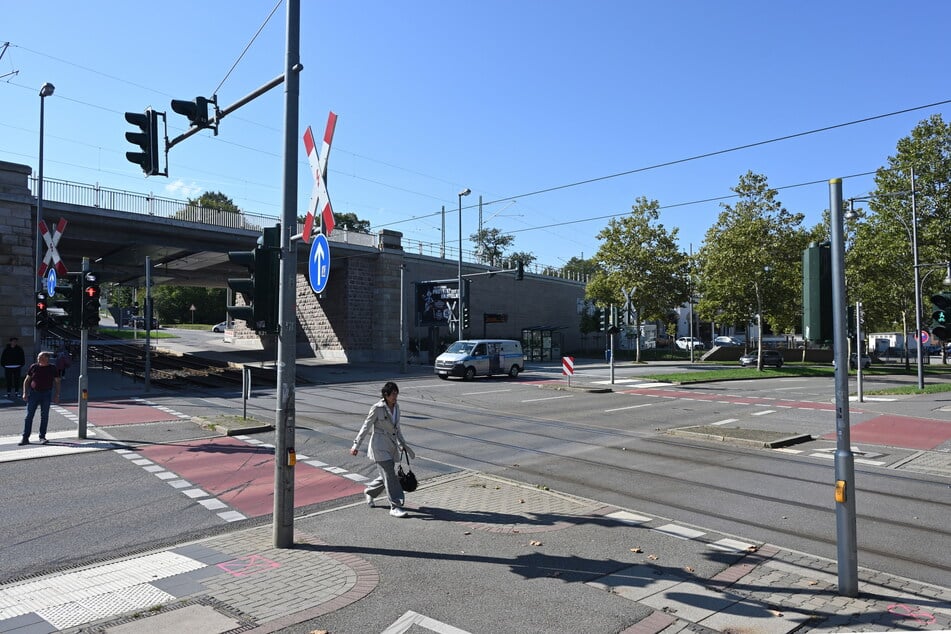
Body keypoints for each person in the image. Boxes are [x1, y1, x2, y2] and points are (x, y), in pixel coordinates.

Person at [350, 381, 416, 518]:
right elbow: (366, 426)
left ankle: (370, 492)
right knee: (390, 475)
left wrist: (402, 444)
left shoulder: (397, 407)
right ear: (385, 395)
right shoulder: (377, 408)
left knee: (387, 475)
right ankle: (395, 506)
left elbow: (397, 429)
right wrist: (356, 445)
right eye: (393, 394)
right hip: (379, 446)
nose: (395, 397)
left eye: (396, 394)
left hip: (391, 446)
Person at [20, 351, 61, 446]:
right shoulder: (34, 367)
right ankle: (25, 437)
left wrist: (57, 395)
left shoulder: (52, 368)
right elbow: (27, 380)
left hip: (46, 393)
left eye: (41, 357)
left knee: (44, 416)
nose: (39, 359)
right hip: (34, 394)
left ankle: (42, 437)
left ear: (47, 358)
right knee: (29, 416)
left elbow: (57, 382)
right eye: (38, 357)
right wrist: (25, 393)